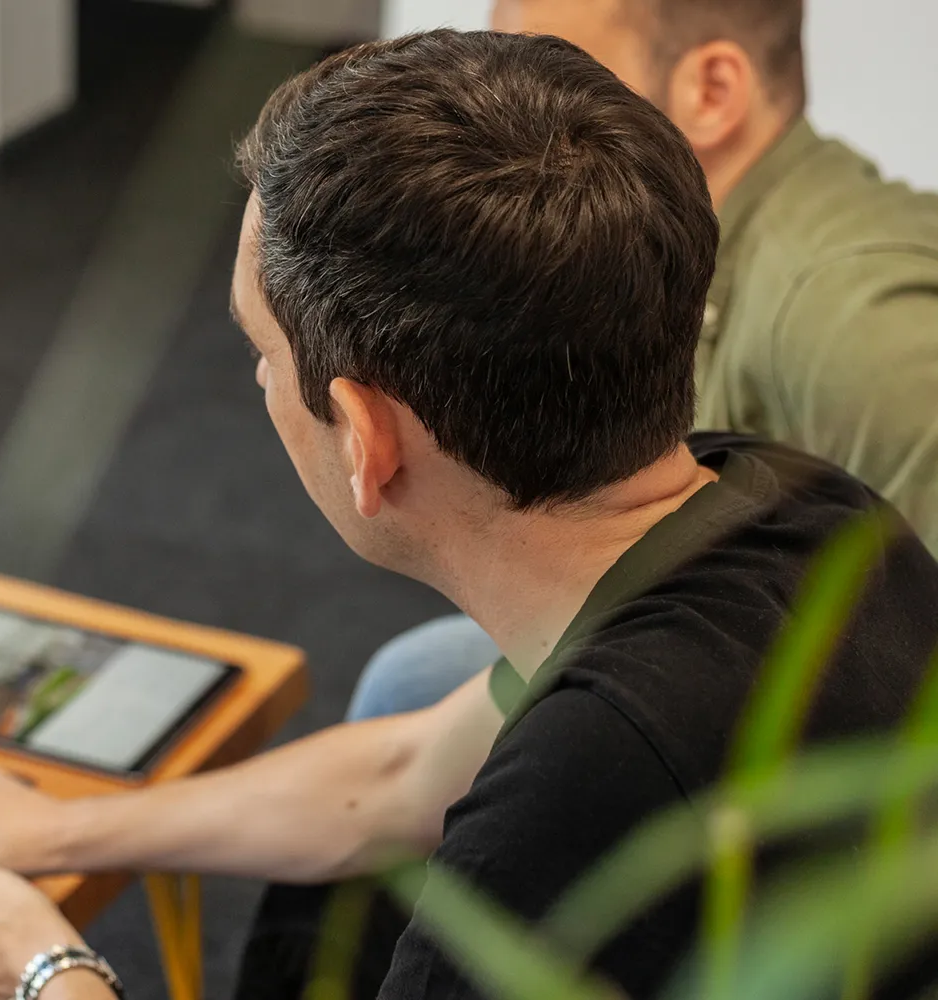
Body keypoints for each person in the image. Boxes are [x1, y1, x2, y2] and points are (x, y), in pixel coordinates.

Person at [0, 30, 938, 1000]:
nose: (257, 388)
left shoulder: (577, 792)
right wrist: (53, 832)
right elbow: (408, 774)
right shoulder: (783, 493)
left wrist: (45, 971)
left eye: (259, 354)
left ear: (366, 441)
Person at [349, 0, 938, 724]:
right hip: (719, 622)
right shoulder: (663, 255)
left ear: (713, 91)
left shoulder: (861, 327)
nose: (489, 122)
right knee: (411, 683)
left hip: (808, 720)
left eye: (549, 75)